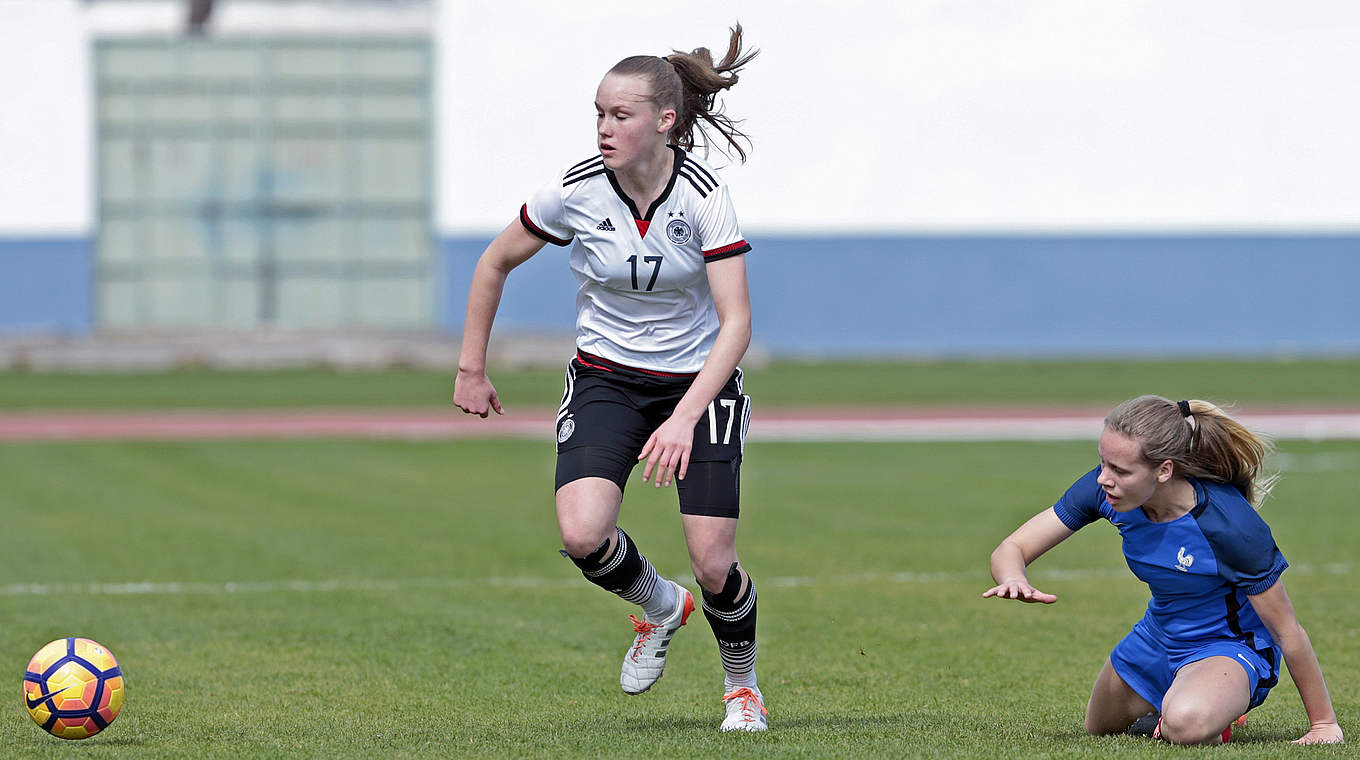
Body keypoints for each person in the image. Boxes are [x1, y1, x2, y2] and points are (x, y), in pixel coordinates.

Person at [452, 25, 767, 732]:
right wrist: (472, 367)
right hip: (606, 379)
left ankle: (742, 688)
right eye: (598, 113)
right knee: (582, 532)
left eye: (619, 115)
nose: (603, 128)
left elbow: (737, 323)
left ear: (664, 121)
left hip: (698, 385)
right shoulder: (576, 191)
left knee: (715, 564)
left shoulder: (704, 197)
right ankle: (660, 606)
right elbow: (493, 263)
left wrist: (685, 416)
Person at [983, 395, 1344, 746]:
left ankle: (1215, 700)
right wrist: (1014, 577)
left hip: (1229, 646)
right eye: (1103, 463)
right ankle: (1195, 698)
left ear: (1164, 470)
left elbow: (1287, 631)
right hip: (1157, 637)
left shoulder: (1230, 527)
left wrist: (1323, 723)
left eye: (1120, 470)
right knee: (1099, 728)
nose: (1103, 479)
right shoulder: (1110, 492)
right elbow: (1013, 547)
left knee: (1185, 725)